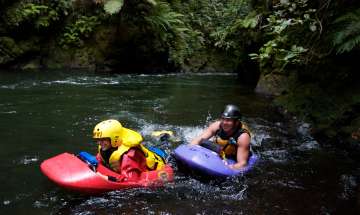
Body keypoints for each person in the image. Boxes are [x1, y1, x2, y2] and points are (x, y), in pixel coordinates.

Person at [93, 119, 166, 182]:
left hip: (159, 160)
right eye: (98, 139)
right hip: (150, 152)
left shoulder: (129, 155)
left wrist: (107, 178)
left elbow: (131, 180)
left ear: (114, 138)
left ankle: (165, 137)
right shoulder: (106, 147)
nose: (99, 143)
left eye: (103, 140)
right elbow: (98, 161)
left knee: (164, 146)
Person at [190, 104, 251, 169]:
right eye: (223, 119)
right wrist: (190, 150)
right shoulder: (217, 126)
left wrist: (227, 168)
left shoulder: (243, 137)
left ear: (236, 122)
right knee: (203, 142)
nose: (224, 123)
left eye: (228, 120)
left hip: (233, 156)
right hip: (220, 150)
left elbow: (242, 163)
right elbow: (198, 140)